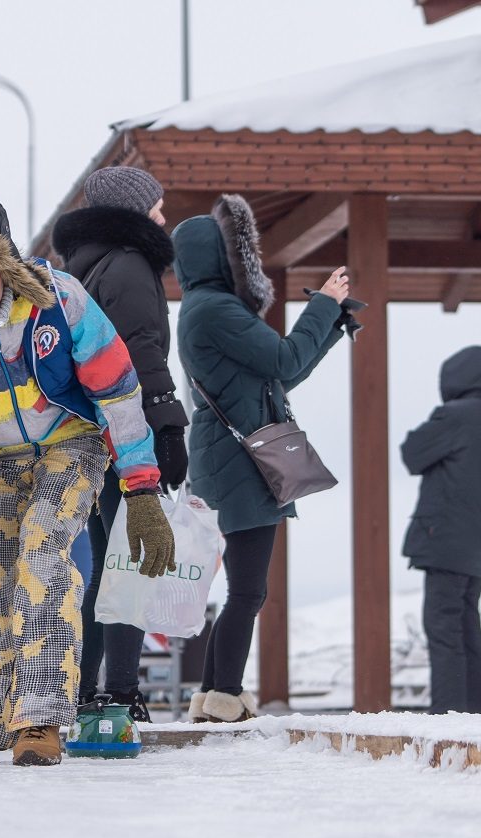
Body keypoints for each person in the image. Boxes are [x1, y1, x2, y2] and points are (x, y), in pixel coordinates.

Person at [0, 199, 175, 766]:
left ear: (9, 269)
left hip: (68, 444)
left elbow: (118, 391)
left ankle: (41, 718)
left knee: (43, 556)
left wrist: (141, 490)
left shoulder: (60, 302)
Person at [174, 194, 349, 723]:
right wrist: (323, 303)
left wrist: (331, 326)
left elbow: (279, 374)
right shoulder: (218, 310)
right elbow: (284, 357)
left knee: (242, 589)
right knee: (248, 590)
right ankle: (225, 694)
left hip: (225, 459)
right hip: (242, 465)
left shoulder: (200, 310)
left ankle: (211, 695)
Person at [53, 165, 187, 721]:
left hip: (86, 431)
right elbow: (140, 349)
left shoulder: (83, 266)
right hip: (127, 428)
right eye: (155, 205)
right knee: (133, 560)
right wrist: (167, 423)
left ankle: (83, 687)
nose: (163, 215)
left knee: (106, 563)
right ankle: (121, 691)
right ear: (133, 212)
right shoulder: (130, 264)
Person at [401, 346, 481, 713]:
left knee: (443, 628)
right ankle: (474, 711)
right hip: (476, 541)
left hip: (443, 538)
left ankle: (447, 716)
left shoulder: (453, 416)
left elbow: (412, 453)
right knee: (466, 628)